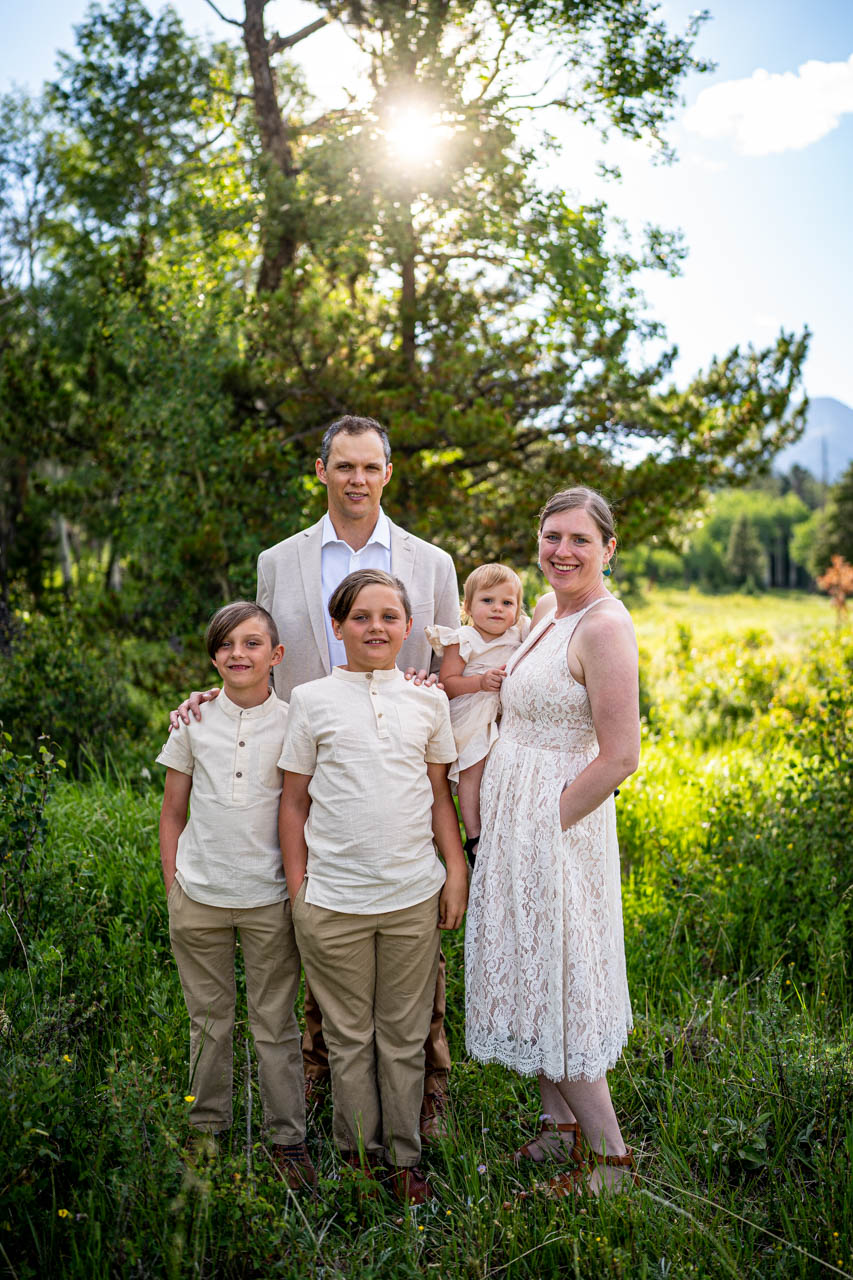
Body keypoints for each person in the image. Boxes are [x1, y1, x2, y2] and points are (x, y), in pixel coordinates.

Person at [168, 416, 461, 1138]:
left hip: (395, 779)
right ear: (322, 471)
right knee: (318, 957)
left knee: (410, 982)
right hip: (306, 776)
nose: (357, 479)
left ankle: (421, 1114)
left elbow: (449, 673)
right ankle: (324, 1107)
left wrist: (430, 683)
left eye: (370, 467)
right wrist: (210, 700)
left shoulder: (431, 564)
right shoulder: (280, 559)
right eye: (343, 466)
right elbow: (256, 650)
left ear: (387, 474)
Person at [464, 487, 641, 1196]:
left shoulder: (602, 627)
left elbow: (620, 754)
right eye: (550, 537)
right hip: (514, 819)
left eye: (577, 539)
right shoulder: (544, 611)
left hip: (556, 830)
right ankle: (556, 1129)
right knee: (533, 967)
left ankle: (609, 1161)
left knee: (560, 977)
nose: (561, 551)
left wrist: (546, 822)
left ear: (607, 548)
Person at [279, 570, 468, 1205]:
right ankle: (358, 1156)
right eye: (361, 617)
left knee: (404, 1031)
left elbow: (440, 796)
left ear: (409, 629)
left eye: (390, 617)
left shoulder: (428, 702)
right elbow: (294, 803)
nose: (376, 628)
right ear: (337, 627)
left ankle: (405, 1157)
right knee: (347, 1035)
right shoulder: (310, 701)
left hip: (412, 894)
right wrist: (299, 889)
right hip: (333, 901)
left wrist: (455, 870)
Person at [156, 602, 315, 1190]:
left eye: (252, 644)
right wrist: (175, 883)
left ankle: (287, 1138)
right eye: (225, 645)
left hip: (269, 897)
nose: (238, 654)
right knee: (208, 1020)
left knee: (275, 1021)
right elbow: (173, 813)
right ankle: (207, 1130)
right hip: (199, 895)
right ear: (213, 657)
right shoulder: (192, 721)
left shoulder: (298, 719)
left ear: (275, 656)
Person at [425, 563, 529, 865]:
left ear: (518, 609)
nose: (497, 609)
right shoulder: (463, 638)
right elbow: (448, 684)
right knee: (473, 769)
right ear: (467, 606)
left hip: (504, 714)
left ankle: (504, 827)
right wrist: (480, 682)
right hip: (471, 711)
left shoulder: (519, 632)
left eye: (507, 603)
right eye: (488, 601)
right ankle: (474, 836)